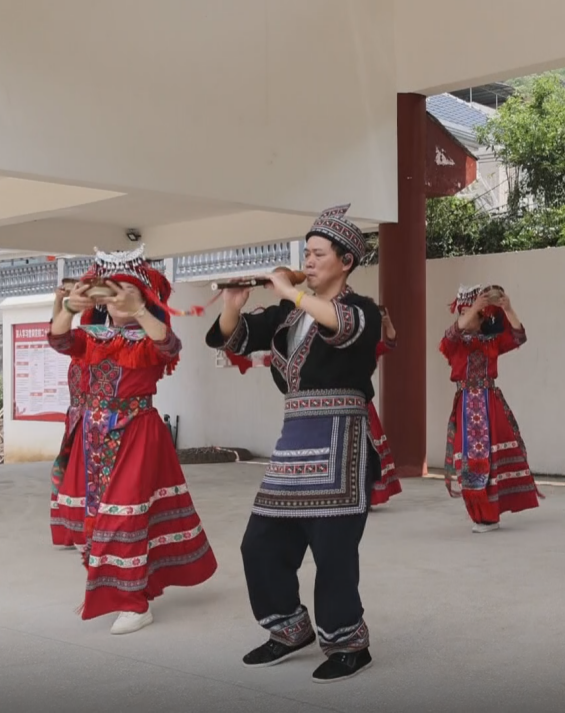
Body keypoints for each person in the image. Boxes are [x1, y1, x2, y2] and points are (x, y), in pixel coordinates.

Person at [206, 204, 382, 684]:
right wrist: (233, 302)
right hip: (293, 443)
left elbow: (341, 326)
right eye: (306, 253)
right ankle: (289, 628)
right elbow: (233, 339)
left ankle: (348, 644)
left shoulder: (362, 310)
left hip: (342, 442)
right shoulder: (287, 315)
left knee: (333, 552)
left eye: (319, 254)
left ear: (346, 261)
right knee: (260, 544)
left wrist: (290, 291)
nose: (309, 261)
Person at [48, 247, 218, 635]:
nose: (118, 297)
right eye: (111, 290)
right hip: (92, 436)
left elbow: (168, 346)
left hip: (135, 433)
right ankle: (111, 590)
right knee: (94, 520)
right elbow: (58, 340)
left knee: (125, 516)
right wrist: (67, 307)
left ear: (144, 296)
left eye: (129, 290)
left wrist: (140, 311)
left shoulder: (147, 336)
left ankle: (134, 604)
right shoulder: (90, 336)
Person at [440, 284, 540, 533]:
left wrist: (508, 308)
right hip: (466, 405)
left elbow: (519, 336)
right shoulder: (455, 343)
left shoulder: (491, 342)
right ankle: (480, 514)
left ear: (483, 317)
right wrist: (474, 307)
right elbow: (451, 334)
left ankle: (490, 516)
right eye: (463, 313)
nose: (467, 317)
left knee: (493, 460)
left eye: (473, 313)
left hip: (489, 403)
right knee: (468, 462)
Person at [49, 277, 87, 550]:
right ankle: (70, 529)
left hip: (95, 418)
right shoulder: (77, 342)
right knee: (69, 473)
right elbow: (57, 331)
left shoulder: (95, 335)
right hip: (76, 417)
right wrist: (59, 301)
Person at [368, 308, 402, 509]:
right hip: (338, 404)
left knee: (369, 450)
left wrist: (387, 323)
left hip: (363, 404)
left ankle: (369, 496)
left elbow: (390, 343)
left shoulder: (368, 347)